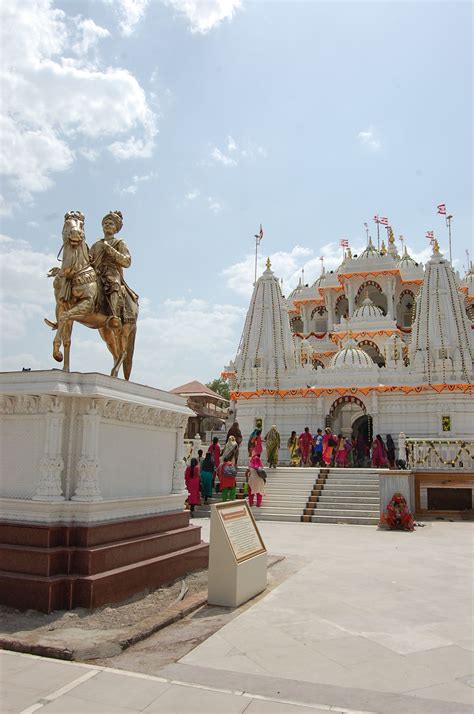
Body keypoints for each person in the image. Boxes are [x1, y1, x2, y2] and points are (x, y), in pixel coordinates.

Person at [89, 211, 138, 321]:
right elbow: (87, 261)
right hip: (95, 273)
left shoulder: (120, 243)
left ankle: (114, 315)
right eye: (105, 223)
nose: (107, 225)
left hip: (111, 272)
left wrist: (110, 250)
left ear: (116, 228)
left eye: (110, 223)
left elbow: (127, 262)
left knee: (114, 284)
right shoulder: (96, 245)